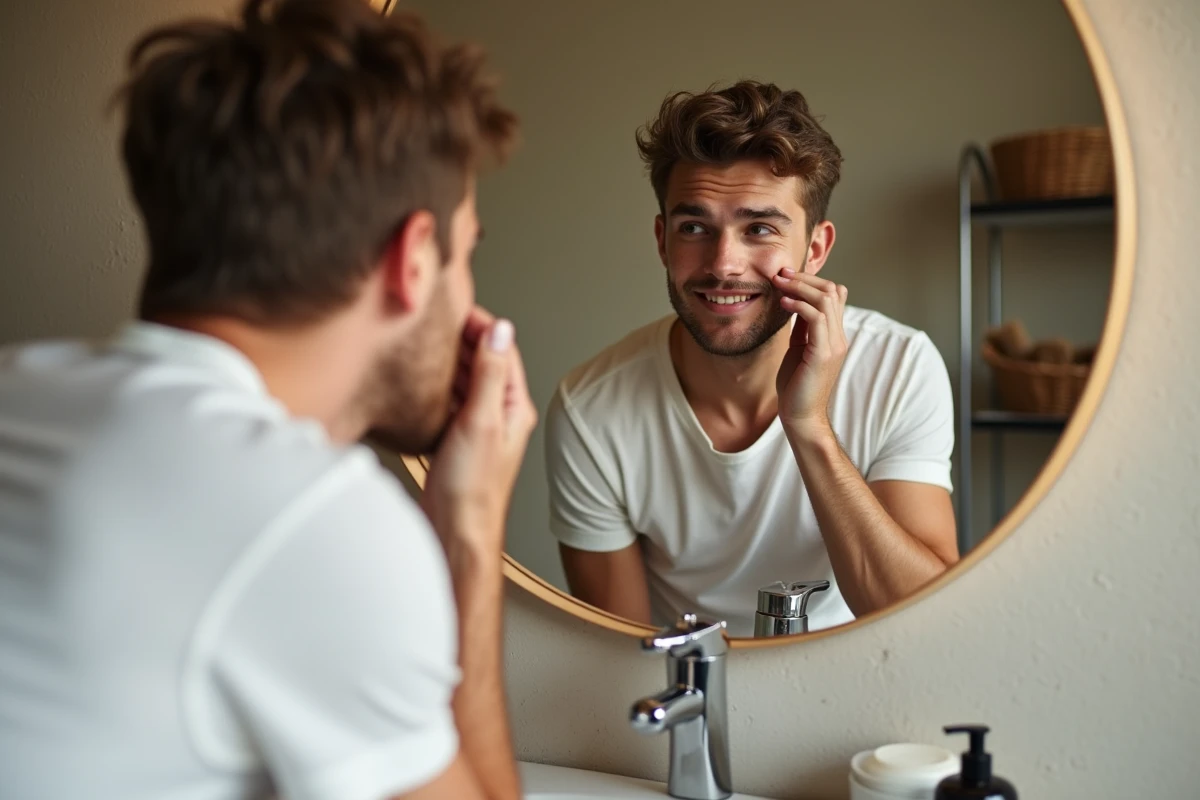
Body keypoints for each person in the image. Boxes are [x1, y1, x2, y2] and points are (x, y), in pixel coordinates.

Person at [0, 1, 535, 798]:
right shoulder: (313, 520)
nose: (471, 306)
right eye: (465, 256)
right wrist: (473, 528)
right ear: (414, 260)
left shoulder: (19, 383)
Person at [545, 81, 960, 637]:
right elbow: (619, 650)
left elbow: (927, 619)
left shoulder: (899, 368)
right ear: (663, 240)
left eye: (759, 228)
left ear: (815, 248)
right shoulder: (592, 409)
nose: (724, 264)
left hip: (860, 684)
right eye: (695, 228)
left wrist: (808, 427)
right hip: (694, 692)